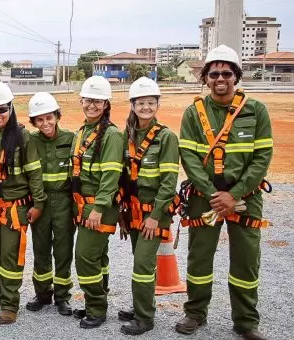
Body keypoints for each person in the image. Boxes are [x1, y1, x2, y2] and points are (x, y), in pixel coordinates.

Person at [176, 45, 273, 340]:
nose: (221, 78)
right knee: (199, 259)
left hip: (246, 198)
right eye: (214, 73)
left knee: (246, 259)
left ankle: (246, 322)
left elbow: (262, 157)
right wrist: (213, 194)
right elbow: (189, 158)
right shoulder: (194, 113)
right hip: (204, 198)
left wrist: (235, 195)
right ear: (206, 78)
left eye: (227, 73)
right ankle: (195, 313)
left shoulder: (255, 111)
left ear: (236, 77)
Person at [0, 81, 47, 324]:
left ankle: (10, 304)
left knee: (10, 257)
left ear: (11, 108)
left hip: (14, 208)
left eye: (2, 109)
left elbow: (35, 173)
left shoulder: (22, 137)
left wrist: (38, 204)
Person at [116, 77, 179, 335]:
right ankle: (143, 304)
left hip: (153, 213)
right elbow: (122, 176)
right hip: (132, 212)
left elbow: (169, 181)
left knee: (142, 264)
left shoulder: (166, 138)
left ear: (157, 105)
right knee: (141, 261)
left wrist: (155, 216)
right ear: (133, 105)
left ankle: (145, 318)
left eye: (150, 102)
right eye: (140, 103)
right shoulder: (128, 135)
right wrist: (121, 212)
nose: (145, 107)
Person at [70, 75, 123, 329]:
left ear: (106, 104)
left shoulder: (111, 135)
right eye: (88, 100)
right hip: (84, 205)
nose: (92, 105)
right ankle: (96, 301)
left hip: (98, 207)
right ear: (81, 100)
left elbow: (111, 176)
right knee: (98, 257)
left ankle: (96, 308)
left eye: (98, 102)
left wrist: (99, 209)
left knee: (84, 257)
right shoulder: (83, 131)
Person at [24, 92, 75, 316]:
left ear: (57, 116)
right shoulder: (31, 141)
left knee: (63, 251)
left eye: (49, 118)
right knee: (41, 249)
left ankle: (63, 296)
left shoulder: (71, 139)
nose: (45, 123)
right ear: (34, 122)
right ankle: (43, 293)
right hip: (40, 203)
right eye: (40, 119)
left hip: (63, 201)